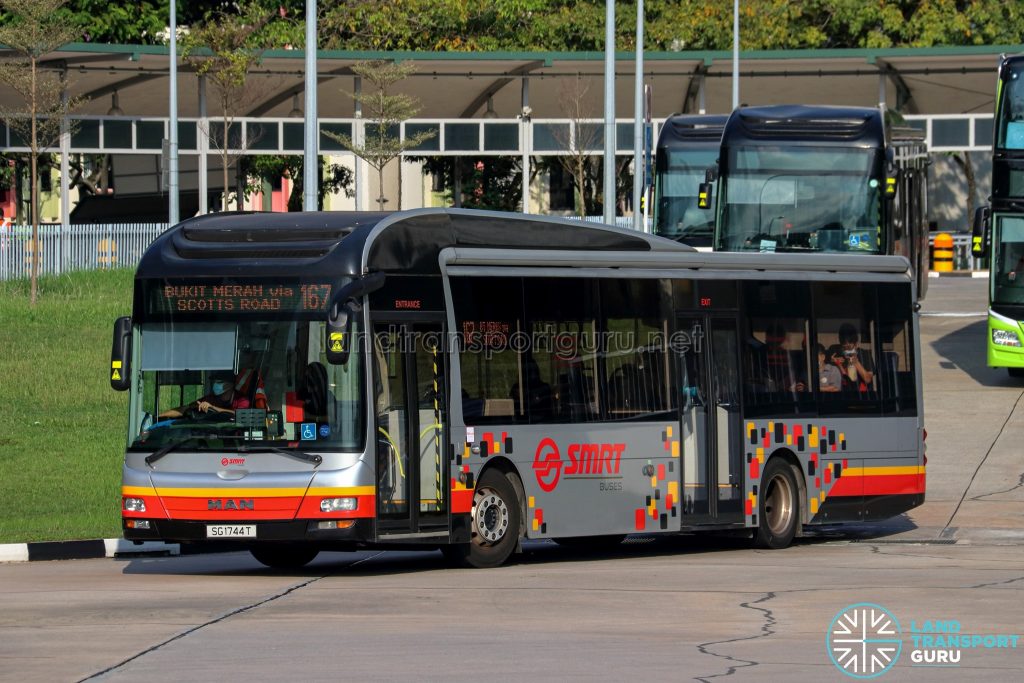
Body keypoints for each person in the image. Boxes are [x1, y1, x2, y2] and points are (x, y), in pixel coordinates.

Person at [159, 372, 252, 418]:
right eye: (214, 382)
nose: (215, 385)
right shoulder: (211, 398)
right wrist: (159, 417)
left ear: (230, 384)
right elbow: (186, 408)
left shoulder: (242, 400)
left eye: (218, 382)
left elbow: (239, 415)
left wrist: (212, 408)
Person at [832, 323, 875, 392]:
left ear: (856, 344)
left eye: (849, 347)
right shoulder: (837, 354)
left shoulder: (865, 355)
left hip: (862, 395)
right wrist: (834, 363)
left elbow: (867, 379)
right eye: (844, 347)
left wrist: (856, 362)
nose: (847, 350)